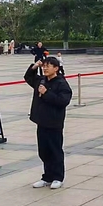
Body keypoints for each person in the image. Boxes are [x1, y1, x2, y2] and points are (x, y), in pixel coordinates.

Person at [24, 56, 72, 189]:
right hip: (42, 121)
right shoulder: (41, 80)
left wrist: (46, 93)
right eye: (44, 66)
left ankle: (58, 177)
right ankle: (47, 177)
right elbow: (28, 77)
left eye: (48, 66)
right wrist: (35, 66)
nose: (45, 68)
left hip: (54, 122)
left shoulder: (61, 83)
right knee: (44, 151)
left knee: (55, 150)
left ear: (56, 68)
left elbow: (63, 101)